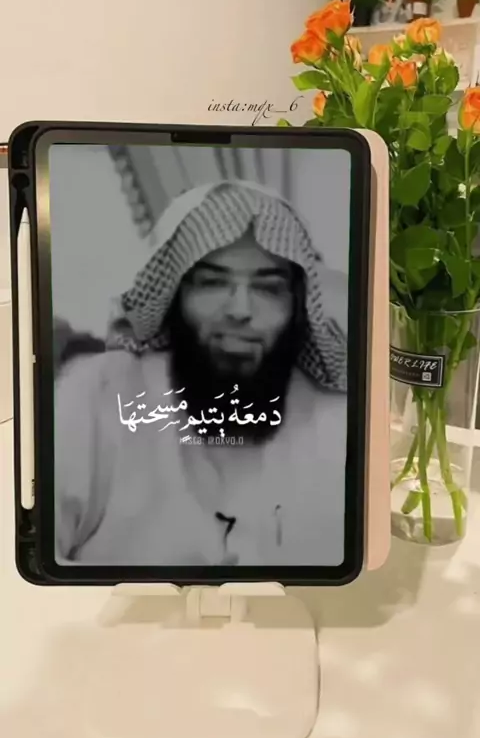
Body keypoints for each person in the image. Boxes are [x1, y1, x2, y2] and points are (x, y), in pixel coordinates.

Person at [55, 180, 348, 566]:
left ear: (298, 306)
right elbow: (29, 566)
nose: (240, 310)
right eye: (212, 283)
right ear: (173, 294)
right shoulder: (98, 395)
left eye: (268, 288)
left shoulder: (336, 420)